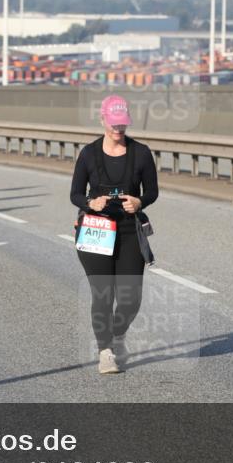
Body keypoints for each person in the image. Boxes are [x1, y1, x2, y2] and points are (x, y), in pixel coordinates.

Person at [70, 95, 158, 374]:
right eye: (113, 123)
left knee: (131, 298)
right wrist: (89, 203)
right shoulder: (88, 153)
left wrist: (140, 202)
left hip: (130, 230)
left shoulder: (141, 153)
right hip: (96, 230)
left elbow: (152, 191)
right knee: (103, 294)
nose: (118, 129)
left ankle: (117, 335)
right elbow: (75, 193)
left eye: (122, 124)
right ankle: (105, 351)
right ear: (102, 120)